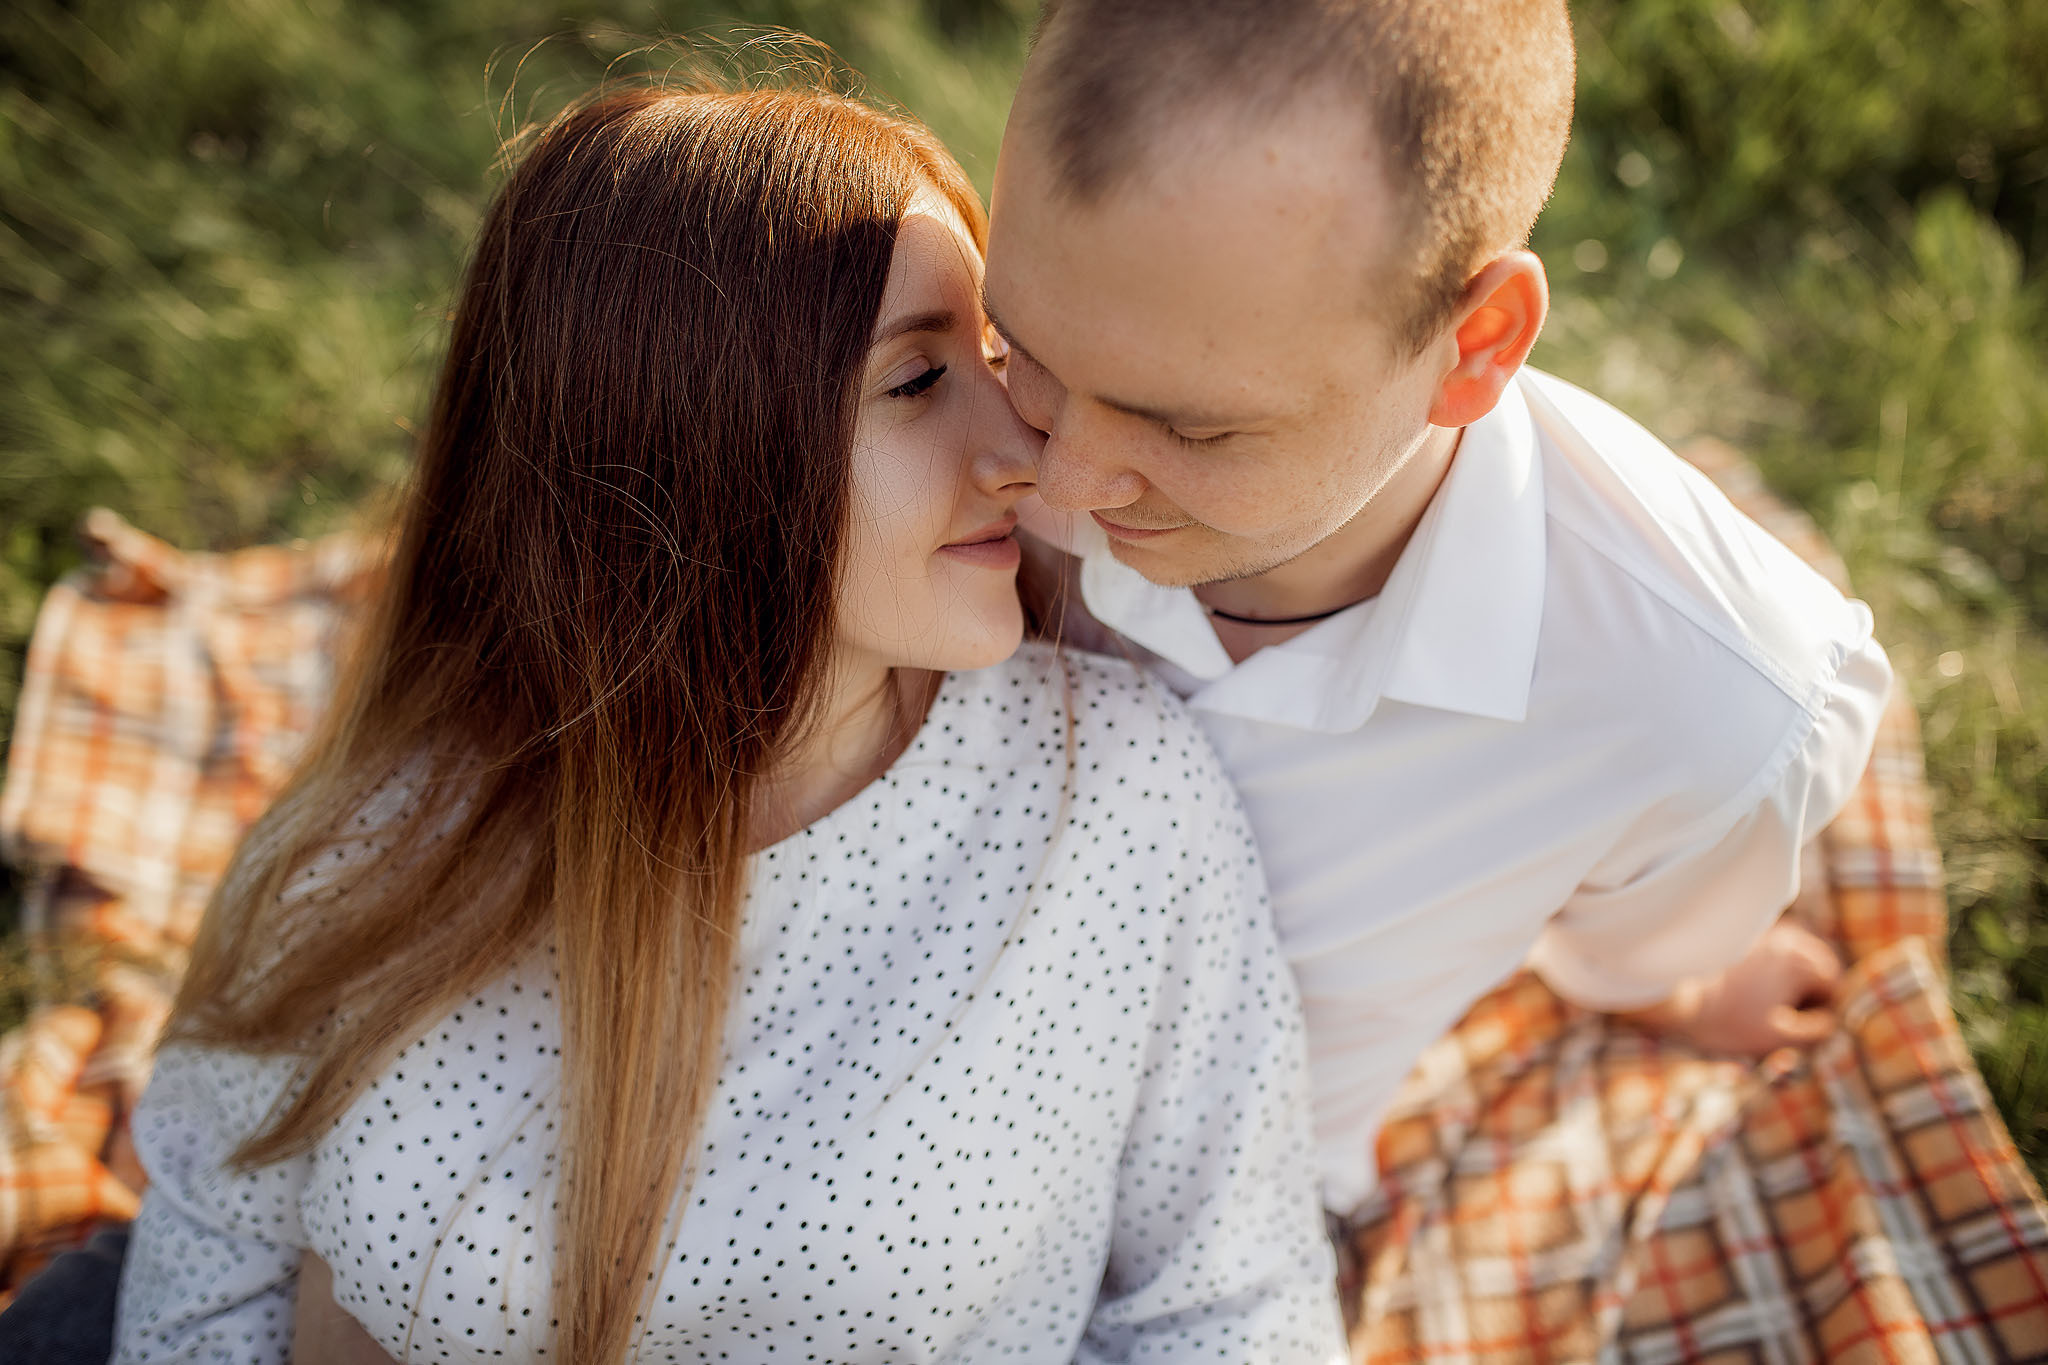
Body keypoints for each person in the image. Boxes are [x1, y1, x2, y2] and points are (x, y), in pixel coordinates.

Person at [110, 74, 1347, 1363]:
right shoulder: (371, 842)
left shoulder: (1113, 799)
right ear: (688, 448)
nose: (1025, 453)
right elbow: (204, 1270)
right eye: (917, 381)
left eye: (997, 360)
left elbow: (1231, 1308)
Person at [982, 0, 1893, 1217]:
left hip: (1222, 1199)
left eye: (1190, 430)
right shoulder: (930, 415)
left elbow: (1650, 924)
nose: (1059, 483)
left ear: (1474, 348)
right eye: (1025, 353)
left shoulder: (1709, 701)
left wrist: (1668, 985)